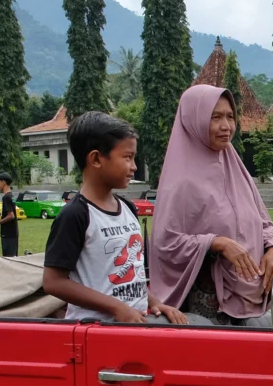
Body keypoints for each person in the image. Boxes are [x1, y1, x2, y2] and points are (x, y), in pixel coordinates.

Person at [150, 86, 273, 325]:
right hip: (205, 307)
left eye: (230, 117)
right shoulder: (181, 180)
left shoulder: (236, 169)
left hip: (252, 296)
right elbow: (165, 243)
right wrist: (216, 243)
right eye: (215, 117)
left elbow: (263, 222)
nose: (226, 126)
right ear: (195, 120)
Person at [44, 111, 184, 324]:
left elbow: (131, 273)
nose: (134, 167)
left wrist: (153, 302)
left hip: (132, 324)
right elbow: (54, 282)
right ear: (96, 159)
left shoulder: (128, 208)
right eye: (127, 157)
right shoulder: (76, 215)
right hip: (96, 331)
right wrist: (116, 307)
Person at [0, 173, 20, 258]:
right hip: (13, 232)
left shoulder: (6, 197)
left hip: (8, 233)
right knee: (13, 256)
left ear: (3, 182)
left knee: (9, 258)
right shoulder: (11, 195)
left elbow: (11, 215)